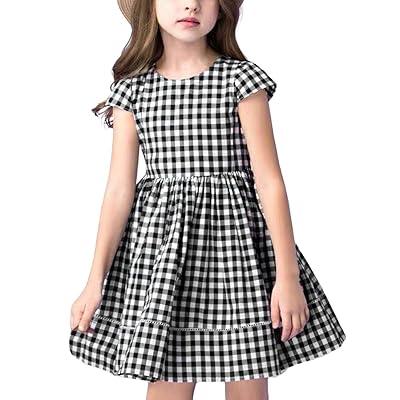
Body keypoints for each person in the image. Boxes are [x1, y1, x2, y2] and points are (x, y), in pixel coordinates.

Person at [69, 1, 346, 399]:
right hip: (166, 262)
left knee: (248, 378)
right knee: (167, 377)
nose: (191, 5)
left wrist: (287, 277)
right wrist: (94, 281)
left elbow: (269, 182)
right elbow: (118, 191)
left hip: (239, 258)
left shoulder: (240, 80)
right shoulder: (132, 90)